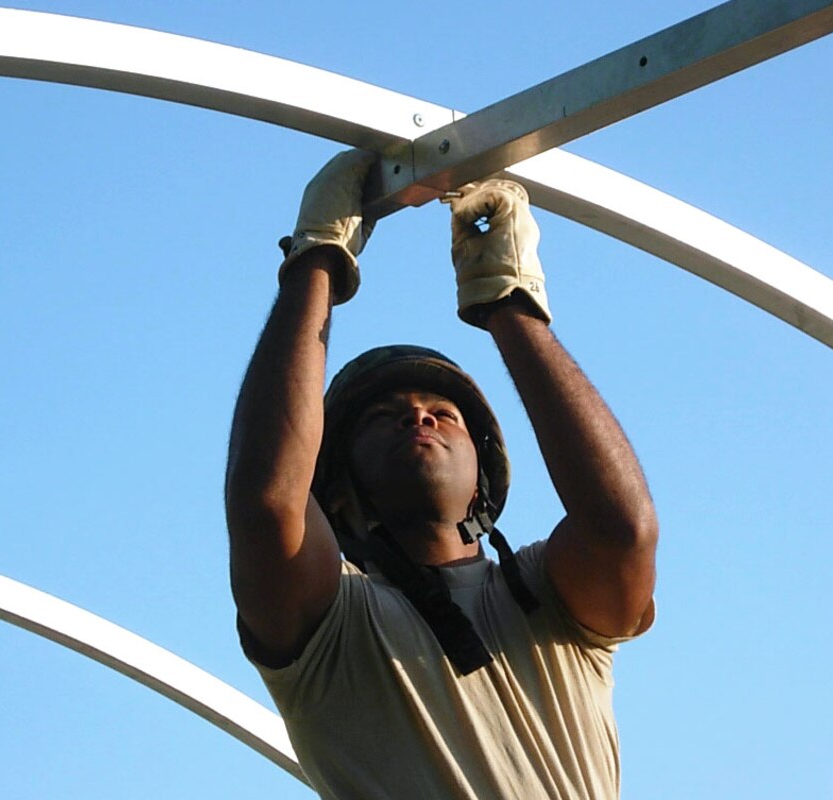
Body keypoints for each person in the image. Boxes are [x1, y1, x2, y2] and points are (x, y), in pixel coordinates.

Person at [225, 150, 658, 799]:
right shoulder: (332, 626)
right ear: (338, 490)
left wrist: (508, 303)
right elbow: (268, 504)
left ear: (484, 472)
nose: (419, 420)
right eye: (384, 417)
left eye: (443, 413)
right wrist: (315, 261)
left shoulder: (551, 600)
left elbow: (624, 529)